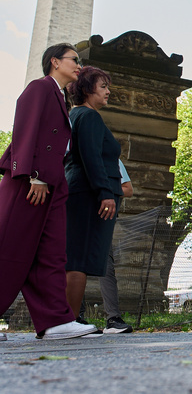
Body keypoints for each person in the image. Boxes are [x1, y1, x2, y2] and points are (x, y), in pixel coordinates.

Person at [0, 43, 97, 340]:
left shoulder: (60, 96)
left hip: (53, 185)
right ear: (54, 62)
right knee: (9, 249)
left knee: (53, 254)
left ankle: (55, 320)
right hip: (30, 183)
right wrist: (34, 175)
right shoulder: (39, 88)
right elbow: (25, 130)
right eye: (74, 59)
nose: (78, 64)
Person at [65, 66, 122, 326]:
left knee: (79, 256)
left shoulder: (76, 115)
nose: (108, 91)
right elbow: (91, 158)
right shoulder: (88, 117)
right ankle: (69, 321)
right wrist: (105, 193)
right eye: (103, 87)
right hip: (89, 195)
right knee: (79, 257)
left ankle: (69, 318)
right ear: (87, 90)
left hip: (82, 192)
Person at [78, 159, 134, 334]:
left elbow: (128, 189)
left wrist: (104, 193)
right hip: (73, 217)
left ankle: (113, 319)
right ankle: (75, 318)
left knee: (106, 266)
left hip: (100, 220)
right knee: (72, 266)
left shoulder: (112, 159)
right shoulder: (69, 155)